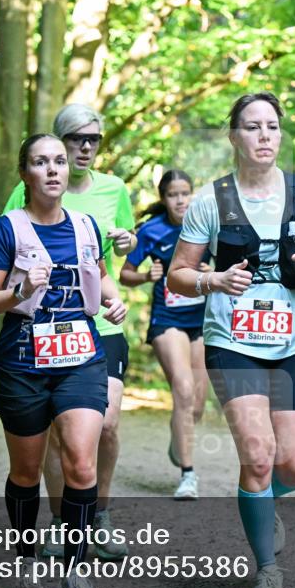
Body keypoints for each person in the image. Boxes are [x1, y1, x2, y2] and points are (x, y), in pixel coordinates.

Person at [167, 92, 295, 588]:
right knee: (259, 455)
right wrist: (212, 279)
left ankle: (260, 504)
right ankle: (268, 572)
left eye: (271, 127)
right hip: (232, 340)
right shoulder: (210, 199)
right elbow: (179, 276)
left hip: (294, 343)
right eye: (252, 127)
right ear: (234, 137)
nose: (264, 136)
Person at [0, 133, 127, 588]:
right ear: (26, 175)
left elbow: (98, 275)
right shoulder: (6, 230)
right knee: (26, 470)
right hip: (22, 359)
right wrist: (18, 291)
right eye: (42, 162)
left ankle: (77, 572)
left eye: (59, 161)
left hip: (81, 353)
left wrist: (112, 298)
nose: (54, 169)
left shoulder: (86, 225)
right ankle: (24, 558)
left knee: (81, 461)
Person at [3, 104, 136, 561]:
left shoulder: (114, 190)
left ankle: (98, 515)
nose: (85, 147)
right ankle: (63, 524)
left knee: (104, 426)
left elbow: (117, 253)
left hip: (98, 329)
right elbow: (5, 251)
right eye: (75, 138)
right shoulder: (23, 203)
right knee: (54, 441)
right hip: (39, 335)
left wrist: (127, 247)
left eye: (93, 139)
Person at [120, 169, 210, 500]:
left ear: (193, 194)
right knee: (183, 390)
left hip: (201, 321)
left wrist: (211, 273)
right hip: (167, 317)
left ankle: (179, 437)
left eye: (185, 193)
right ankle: (188, 474)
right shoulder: (152, 230)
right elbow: (124, 273)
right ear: (164, 199)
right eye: (173, 194)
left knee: (197, 404)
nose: (180, 200)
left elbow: (233, 263)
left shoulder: (205, 226)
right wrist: (146, 275)